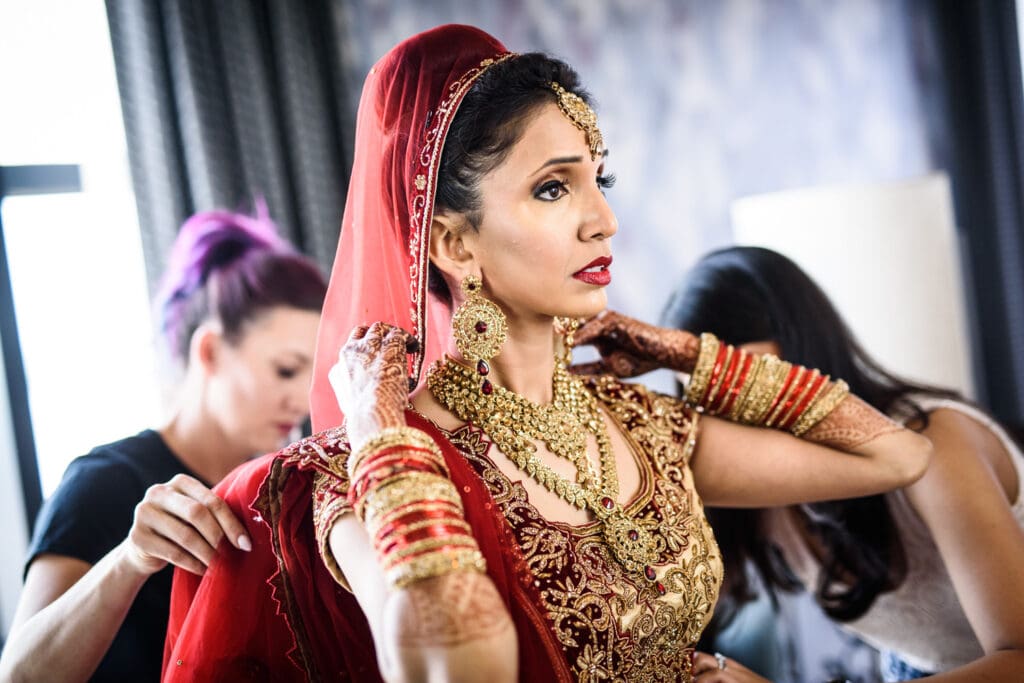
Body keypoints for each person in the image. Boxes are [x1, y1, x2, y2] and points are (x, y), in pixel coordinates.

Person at [161, 25, 931, 682]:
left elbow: (893, 458)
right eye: (554, 190)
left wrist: (689, 353)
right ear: (454, 242)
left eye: (601, 181)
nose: (604, 220)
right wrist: (383, 438)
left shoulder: (639, 423)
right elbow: (461, 665)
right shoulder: (357, 470)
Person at [662, 246, 1024, 681]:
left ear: (805, 351)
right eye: (710, 398)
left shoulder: (934, 442)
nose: (739, 410)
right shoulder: (753, 481)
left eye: (753, 379)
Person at [0, 208, 327, 682]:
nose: (301, 399)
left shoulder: (282, 489)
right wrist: (130, 560)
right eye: (285, 370)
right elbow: (20, 674)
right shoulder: (106, 482)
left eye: (311, 375)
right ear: (210, 351)